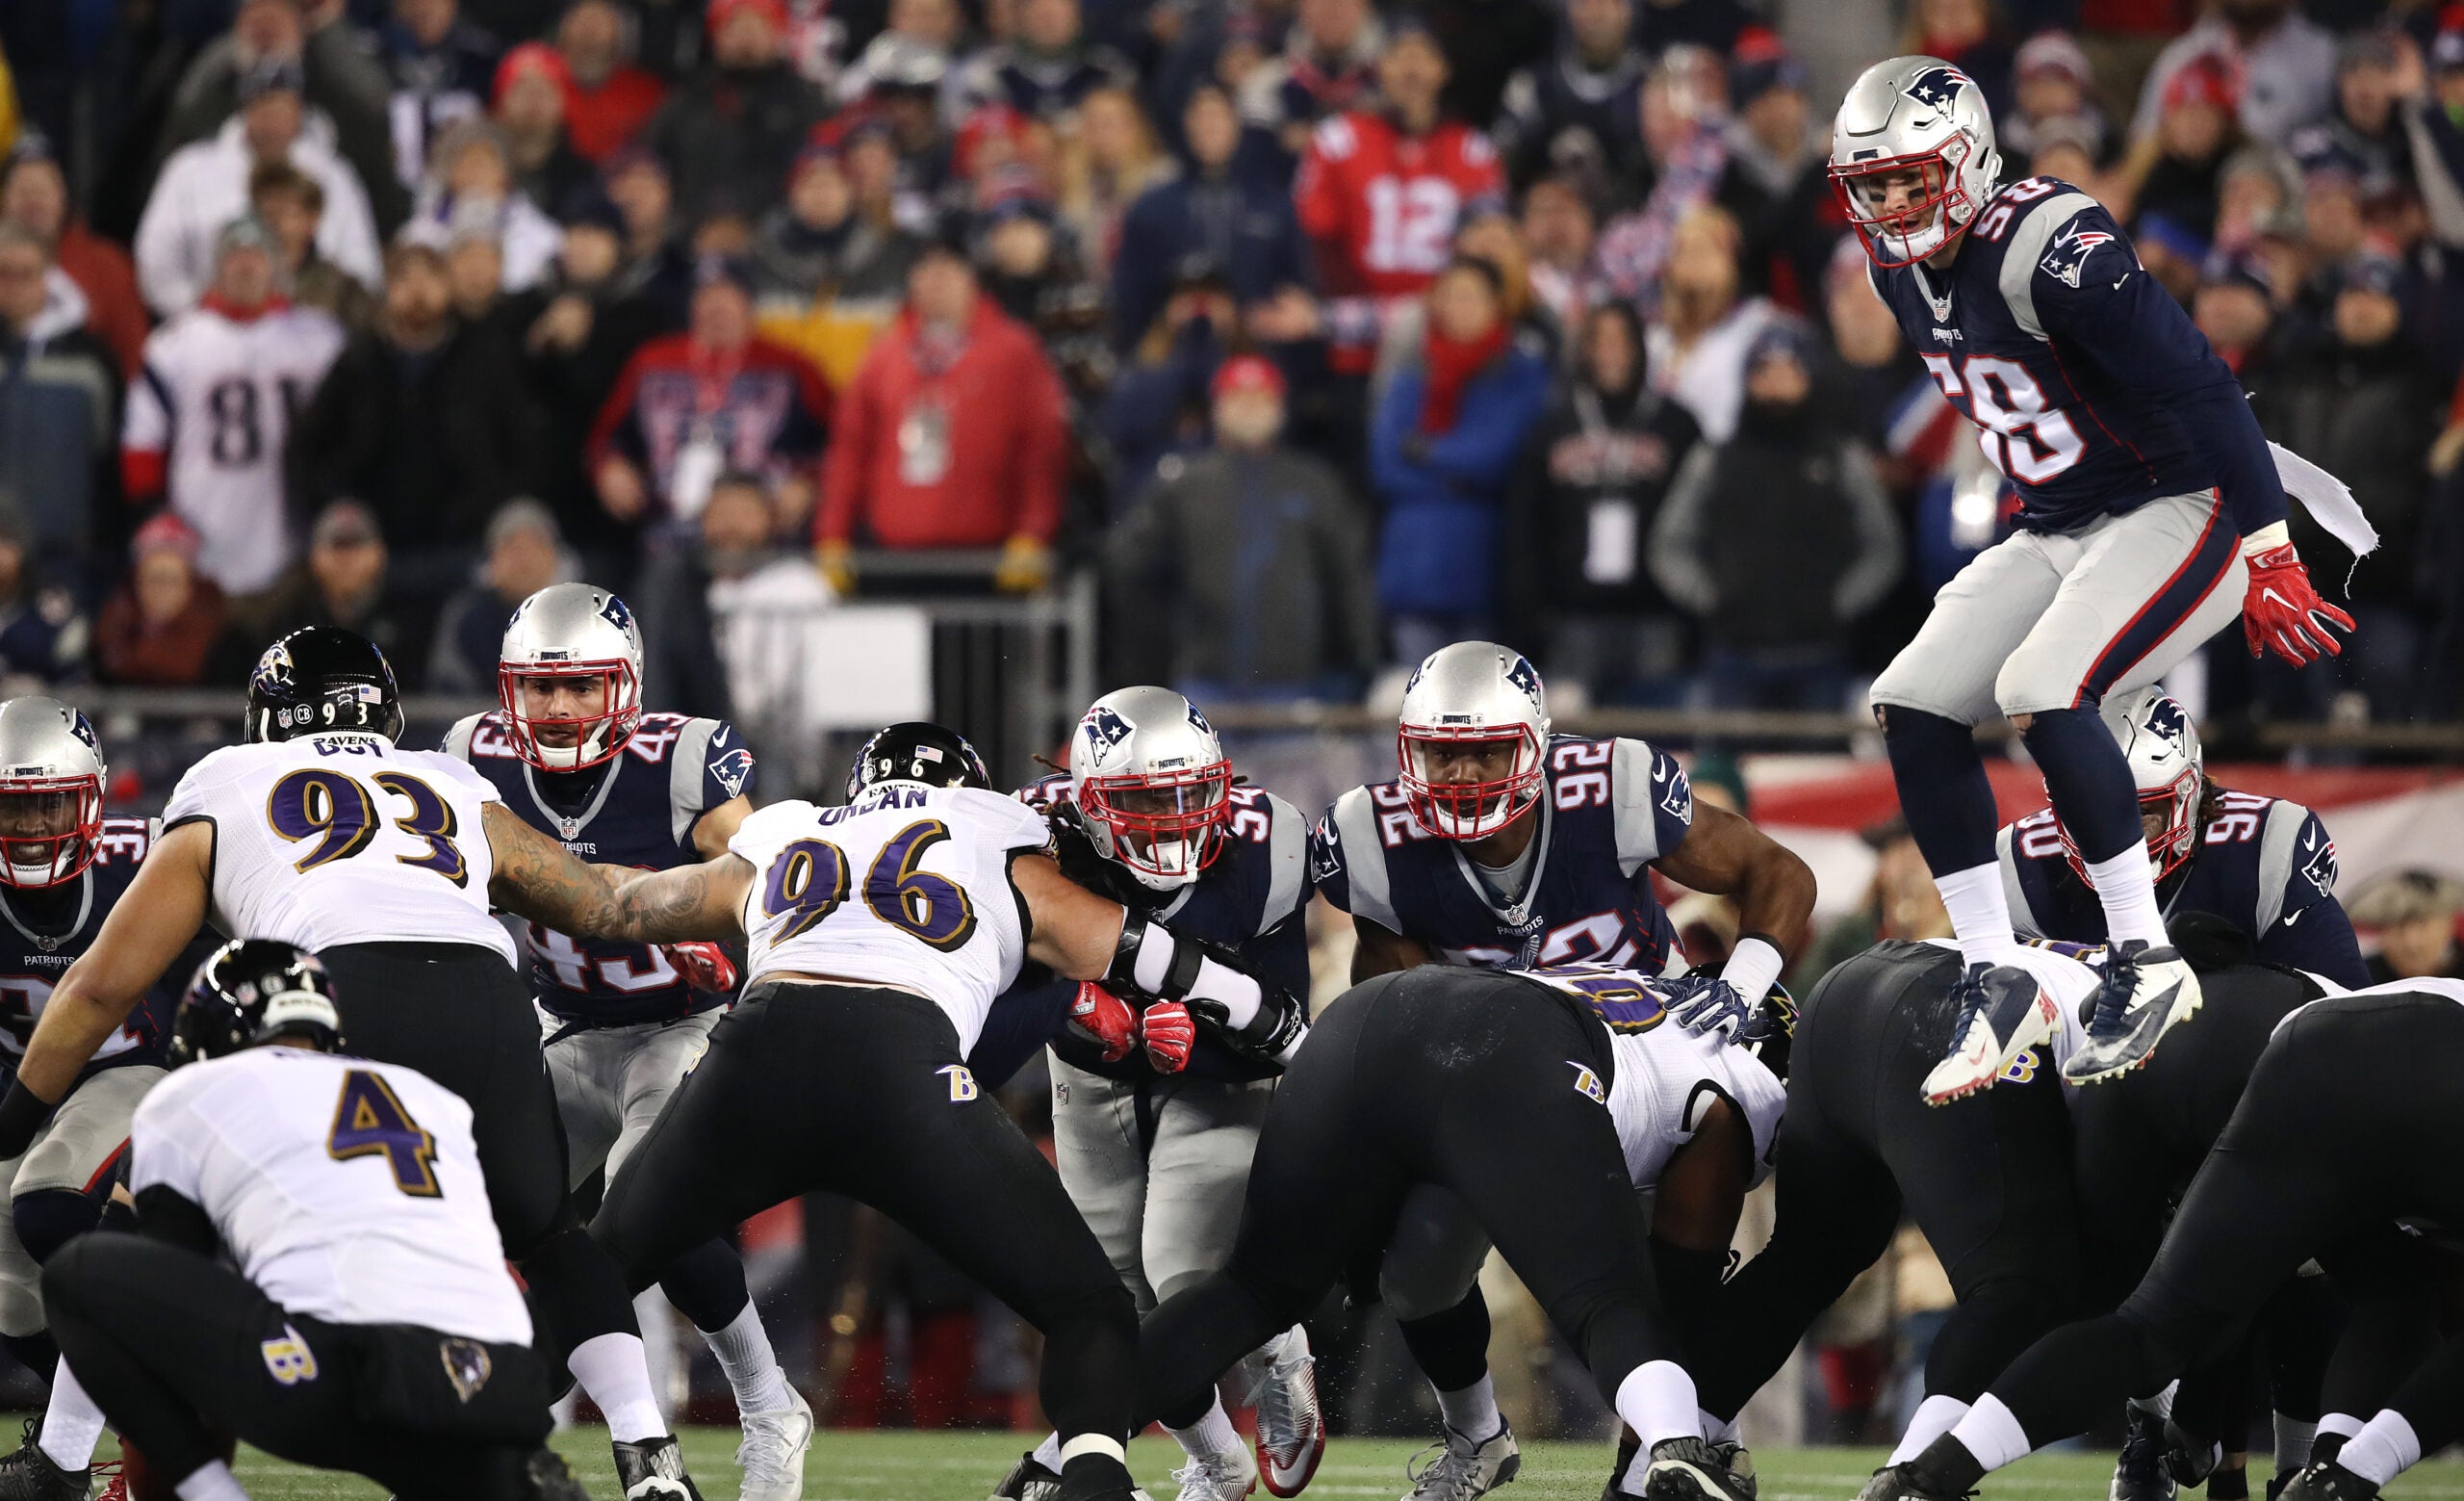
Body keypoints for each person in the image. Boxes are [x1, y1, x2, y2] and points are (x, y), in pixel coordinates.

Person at [0, 628, 708, 1499]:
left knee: (143, 1214)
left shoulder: (224, 781)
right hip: (485, 998)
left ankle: (61, 1460)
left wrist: (13, 1122)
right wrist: (745, 907)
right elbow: (602, 902)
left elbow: (100, 987)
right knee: (550, 1235)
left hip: (340, 990)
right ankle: (650, 1460)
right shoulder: (449, 780)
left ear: (270, 716)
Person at [532, 722, 1318, 1501]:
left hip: (759, 1055)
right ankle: (1089, 1477)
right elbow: (1147, 952)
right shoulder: (1000, 832)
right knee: (1089, 1306)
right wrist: (1282, 1029)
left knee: (602, 1261)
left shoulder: (788, 833)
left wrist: (481, 878)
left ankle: (487, 1426)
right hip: (903, 1070)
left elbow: (623, 906)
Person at [1832, 56, 2355, 1090]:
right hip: (2065, 516)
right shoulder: (1897, 271)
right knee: (1911, 700)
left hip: (2182, 498)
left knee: (2039, 687)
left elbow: (2203, 382)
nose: (1893, 206)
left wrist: (2269, 543)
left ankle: (2142, 953)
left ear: (1971, 161)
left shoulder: (2048, 245)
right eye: (1872, 185)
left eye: (1911, 179)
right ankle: (1995, 970)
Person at [1307, 640, 1816, 1501]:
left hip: (1643, 1049)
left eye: (1486, 749)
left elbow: (1777, 870)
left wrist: (1743, 985)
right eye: (1442, 750)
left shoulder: (1608, 789)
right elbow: (1393, 997)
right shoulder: (1373, 838)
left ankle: (1661, 1448)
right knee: (1418, 1272)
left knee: (1717, 1121)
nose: (1463, 772)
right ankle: (1478, 1435)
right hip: (1495, 1084)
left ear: (1538, 748)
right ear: (1407, 751)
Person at [1689, 933, 2337, 1501]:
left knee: (1803, 1262)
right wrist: (2185, 1429)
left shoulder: (2168, 992)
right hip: (1957, 1014)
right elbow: (2176, 1282)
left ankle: (1671, 1445)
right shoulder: (2216, 1047)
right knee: (2023, 1288)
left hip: (1849, 994)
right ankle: (1915, 1476)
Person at [1134, 962, 1787, 1501]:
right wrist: (1665, 1446)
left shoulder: (1648, 990)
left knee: (1307, 1284)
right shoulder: (1749, 1081)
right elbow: (1679, 1283)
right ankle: (1680, 1448)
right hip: (1507, 1054)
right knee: (1606, 1298)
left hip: (1371, 1017)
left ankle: (1076, 1448)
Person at [441, 584, 807, 1501]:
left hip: (679, 1023)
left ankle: (767, 1400)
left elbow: (767, 878)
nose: (558, 709)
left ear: (629, 687)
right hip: (561, 1024)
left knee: (655, 1206)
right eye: (539, 688)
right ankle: (520, 1421)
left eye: (582, 687)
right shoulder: (467, 757)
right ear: (506, 690)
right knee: (486, 1200)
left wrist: (707, 914)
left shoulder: (682, 759)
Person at [1868, 964, 2464, 1501]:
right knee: (2396, 1295)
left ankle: (1924, 1476)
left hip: (2299, 1047)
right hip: (2418, 1056)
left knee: (2151, 1328)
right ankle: (2337, 1477)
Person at [38, 938, 588, 1501]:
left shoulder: (194, 1093)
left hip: (335, 1377)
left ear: (211, 1033)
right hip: (505, 1383)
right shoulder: (429, 1098)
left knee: (79, 1274)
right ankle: (510, 1471)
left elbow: (167, 1296)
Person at [976, 690, 1324, 1501]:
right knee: (1109, 1294)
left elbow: (1285, 1021)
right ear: (1087, 805)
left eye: (1188, 796)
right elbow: (1002, 968)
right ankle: (1215, 1457)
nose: (1172, 822)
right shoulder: (1038, 837)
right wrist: (1091, 1011)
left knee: (1183, 1270)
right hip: (1091, 1075)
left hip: (1221, 1078)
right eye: (1143, 802)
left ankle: (1283, 1353)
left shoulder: (1266, 842)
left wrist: (1192, 1033)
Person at [0, 701, 201, 1501]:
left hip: (130, 1072)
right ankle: (117, 1435)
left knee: (48, 1201)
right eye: (14, 805)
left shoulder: (149, 855)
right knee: (11, 1294)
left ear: (90, 800)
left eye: (49, 802)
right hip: (17, 1086)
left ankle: (141, 1425)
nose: (33, 826)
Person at [1990, 686, 2367, 1000]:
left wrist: (2243, 986)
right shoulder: (2022, 865)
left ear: (2188, 795)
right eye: (2084, 808)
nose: (2106, 833)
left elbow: (2341, 1007)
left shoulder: (2263, 850)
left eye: (2139, 812)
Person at [1649, 318, 1902, 712]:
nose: (1777, 383)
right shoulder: (1715, 459)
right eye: (1765, 371)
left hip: (1820, 656)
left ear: (1810, 378)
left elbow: (1882, 547)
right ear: (1748, 380)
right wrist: (1712, 598)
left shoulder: (1841, 459)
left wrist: (1836, 605)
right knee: (1723, 772)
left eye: (1790, 371)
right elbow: (1669, 543)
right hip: (1733, 655)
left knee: (1821, 773)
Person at [1102, 355, 1380, 700]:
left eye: (1260, 398)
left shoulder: (1314, 484)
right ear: (1217, 406)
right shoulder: (1185, 486)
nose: (1249, 409)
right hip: (1202, 683)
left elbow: (1348, 578)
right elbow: (1134, 575)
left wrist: (1358, 663)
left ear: (1280, 407)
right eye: (1238, 398)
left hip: (1293, 687)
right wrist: (1151, 666)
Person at [287, 237, 545, 601]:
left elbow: (524, 447)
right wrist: (340, 507)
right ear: (387, 290)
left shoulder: (485, 357)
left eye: (431, 277)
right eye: (404, 278)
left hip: (463, 546)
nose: (418, 291)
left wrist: (484, 506)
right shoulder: (359, 360)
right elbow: (309, 449)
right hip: (373, 550)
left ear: (448, 286)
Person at [813, 237, 1067, 593]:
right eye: (925, 272)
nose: (935, 282)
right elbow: (850, 449)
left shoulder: (1014, 352)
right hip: (896, 554)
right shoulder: (884, 354)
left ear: (971, 280)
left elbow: (1041, 449)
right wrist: (832, 533)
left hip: (987, 559)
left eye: (947, 271)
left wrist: (1034, 531)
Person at [121, 216, 345, 605]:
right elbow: (142, 439)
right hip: (199, 522)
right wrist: (154, 514)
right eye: (234, 257)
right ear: (216, 267)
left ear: (276, 266)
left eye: (257, 256)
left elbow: (350, 433)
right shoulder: (175, 344)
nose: (245, 266)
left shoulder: (319, 341)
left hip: (291, 529)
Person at [1511, 299, 1701, 707]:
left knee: (1654, 750)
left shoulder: (1677, 425)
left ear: (1640, 349)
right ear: (1584, 351)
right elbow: (1526, 525)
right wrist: (1533, 611)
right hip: (1573, 616)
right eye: (1600, 342)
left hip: (1655, 614)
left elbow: (1701, 523)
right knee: (1572, 751)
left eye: (1621, 342)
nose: (1611, 354)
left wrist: (1691, 611)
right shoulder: (1553, 426)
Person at [1294, 19, 1504, 375]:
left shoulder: (1473, 152)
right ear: (1380, 67)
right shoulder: (1338, 140)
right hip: (1352, 346)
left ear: (1443, 70)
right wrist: (1336, 312)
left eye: (1423, 57)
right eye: (1400, 56)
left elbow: (1488, 255)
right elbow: (1311, 236)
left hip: (1448, 344)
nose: (1411, 69)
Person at [1370, 256, 1551, 663]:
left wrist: (1426, 451)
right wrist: (1463, 477)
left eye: (1470, 296)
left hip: (1486, 568)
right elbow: (1386, 467)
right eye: (1449, 296)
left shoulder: (1520, 377)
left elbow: (1502, 457)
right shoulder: (1409, 377)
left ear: (1496, 305)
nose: (1458, 307)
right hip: (1412, 567)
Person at [589, 255, 833, 533]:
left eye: (727, 294)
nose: (717, 305)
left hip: (762, 531)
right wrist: (610, 469)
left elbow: (837, 441)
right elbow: (606, 439)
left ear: (748, 302)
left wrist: (809, 481)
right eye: (705, 295)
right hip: (665, 526)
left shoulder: (790, 366)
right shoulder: (651, 362)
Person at [135, 58, 381, 318]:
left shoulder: (333, 174)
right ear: (245, 110)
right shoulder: (190, 168)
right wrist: (202, 317)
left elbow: (362, 264)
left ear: (299, 112)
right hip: (212, 326)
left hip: (314, 329)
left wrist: (323, 323)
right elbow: (156, 257)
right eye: (264, 105)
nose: (273, 119)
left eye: (284, 107)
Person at [1109, 84, 1314, 357]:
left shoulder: (1274, 206)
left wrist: (1253, 319)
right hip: (1173, 353)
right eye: (1200, 117)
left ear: (1236, 125)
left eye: (1218, 116)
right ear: (1185, 126)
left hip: (1258, 357)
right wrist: (1164, 320)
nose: (1209, 126)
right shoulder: (1151, 208)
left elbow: (1296, 290)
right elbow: (1130, 296)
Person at [637, 0, 829, 226]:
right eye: (734, 27)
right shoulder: (688, 99)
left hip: (781, 237)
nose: (747, 38)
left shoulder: (805, 101)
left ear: (778, 33)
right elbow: (651, 160)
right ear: (716, 36)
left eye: (758, 26)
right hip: (695, 232)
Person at [0, 221, 120, 575]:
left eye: (27, 273)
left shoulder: (90, 359)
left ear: (48, 277)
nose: (15, 286)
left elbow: (106, 463)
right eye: (4, 274)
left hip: (67, 557)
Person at [0, 141, 146, 380]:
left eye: (43, 190)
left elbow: (133, 360)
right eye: (23, 191)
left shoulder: (106, 266)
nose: (33, 202)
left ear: (64, 196)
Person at [1492, 0, 1647, 189]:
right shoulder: (1533, 86)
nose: (1596, 14)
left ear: (1629, 11)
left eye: (1610, 3)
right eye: (1585, 3)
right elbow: (1499, 163)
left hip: (1632, 211)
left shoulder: (1650, 89)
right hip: (1540, 207)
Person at [425, 501, 571, 693]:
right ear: (492, 559)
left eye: (536, 543)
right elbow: (448, 690)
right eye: (510, 545)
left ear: (555, 556)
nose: (523, 558)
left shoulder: (588, 612)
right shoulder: (466, 617)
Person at [379, 0, 504, 192]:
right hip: (390, 190)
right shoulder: (378, 54)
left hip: (468, 190)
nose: (423, 7)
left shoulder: (482, 58)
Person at [95, 514, 227, 687]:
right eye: (154, 578)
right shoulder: (108, 631)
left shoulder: (221, 645)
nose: (162, 590)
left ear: (191, 587)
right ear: (136, 582)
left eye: (173, 579)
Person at [951, 0, 1138, 122]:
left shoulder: (1107, 70)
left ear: (1077, 16)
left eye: (1058, 12)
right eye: (1039, 12)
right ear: (1021, 16)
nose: (1049, 21)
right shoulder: (987, 73)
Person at [250, 160, 380, 332]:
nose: (273, 223)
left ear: (312, 219)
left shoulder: (341, 289)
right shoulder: (238, 283)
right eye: (266, 213)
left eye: (284, 212)